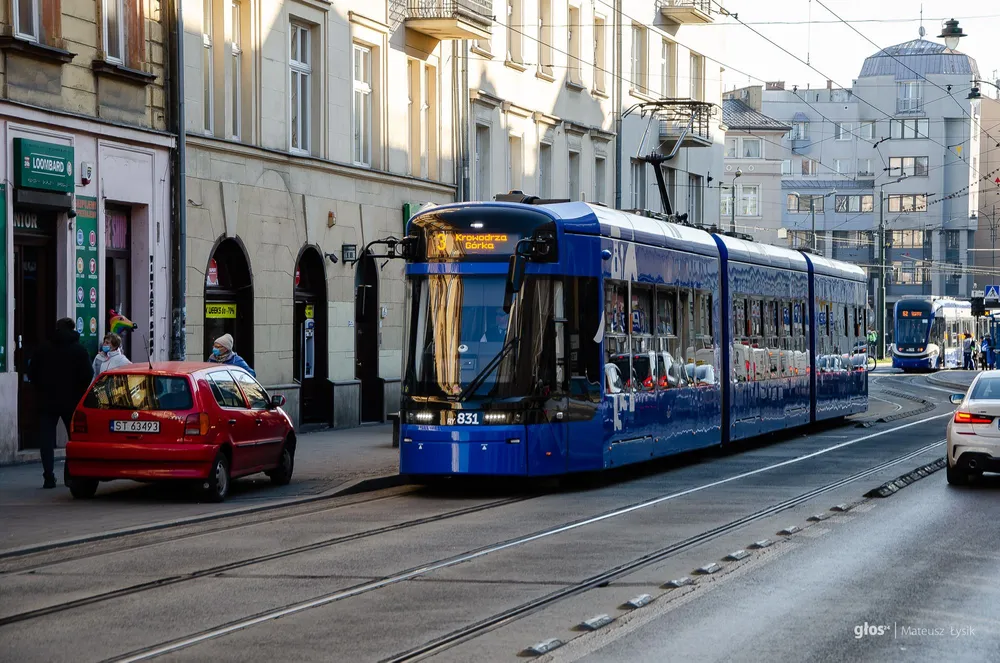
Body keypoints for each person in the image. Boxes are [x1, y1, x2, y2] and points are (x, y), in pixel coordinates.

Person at [27, 318, 94, 489]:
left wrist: (41, 388)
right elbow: (88, 374)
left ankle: (48, 476)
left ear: (57, 328)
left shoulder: (43, 348)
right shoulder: (79, 350)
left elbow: (32, 372)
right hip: (71, 400)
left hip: (46, 399)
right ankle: (72, 474)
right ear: (72, 329)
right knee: (74, 438)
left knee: (46, 439)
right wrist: (78, 390)